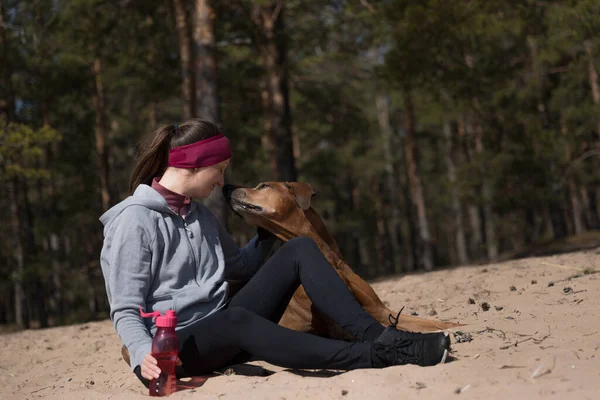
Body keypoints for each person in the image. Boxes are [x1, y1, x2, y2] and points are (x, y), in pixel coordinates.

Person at [99, 119, 450, 386]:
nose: (222, 181)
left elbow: (242, 266)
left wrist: (266, 229)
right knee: (235, 320)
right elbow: (126, 308)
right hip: (173, 346)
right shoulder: (134, 221)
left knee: (299, 248)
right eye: (218, 170)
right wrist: (144, 354)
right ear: (192, 165)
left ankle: (381, 336)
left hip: (225, 324)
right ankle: (374, 355)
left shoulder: (198, 215)